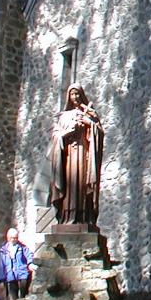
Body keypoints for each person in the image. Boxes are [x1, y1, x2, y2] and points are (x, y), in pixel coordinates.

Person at [48, 84, 104, 225]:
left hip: (84, 154)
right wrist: (68, 133)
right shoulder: (64, 116)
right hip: (69, 157)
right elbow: (56, 135)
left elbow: (99, 134)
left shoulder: (89, 113)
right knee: (70, 184)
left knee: (82, 184)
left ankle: (84, 216)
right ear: (69, 97)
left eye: (77, 94)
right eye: (72, 94)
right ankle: (67, 216)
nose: (75, 97)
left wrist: (89, 124)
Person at [0, 227, 34, 300]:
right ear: (8, 238)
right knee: (13, 293)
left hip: (22, 272)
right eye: (12, 238)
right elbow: (2, 264)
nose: (14, 239)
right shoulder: (4, 250)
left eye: (16, 238)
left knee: (23, 291)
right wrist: (1, 278)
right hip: (10, 274)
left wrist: (30, 263)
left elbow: (29, 255)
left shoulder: (22, 247)